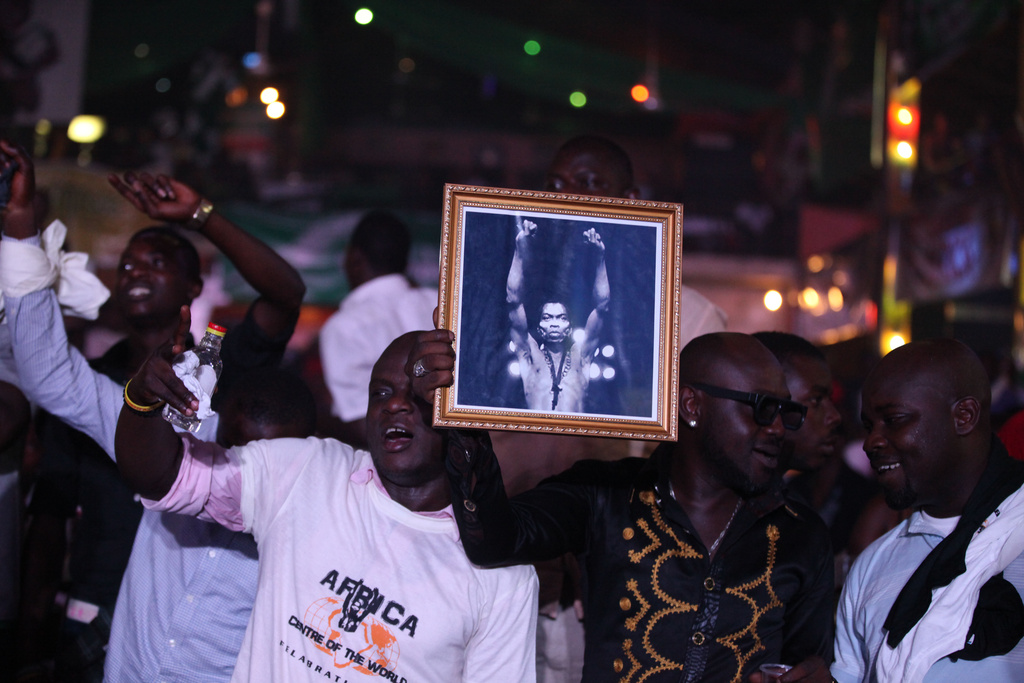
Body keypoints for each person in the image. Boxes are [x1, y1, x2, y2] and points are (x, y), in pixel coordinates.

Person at [0, 138, 305, 682]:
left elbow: (285, 296)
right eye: (127, 263)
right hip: (102, 620)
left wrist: (201, 215)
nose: (134, 272)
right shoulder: (121, 396)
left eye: (156, 262)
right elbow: (50, 380)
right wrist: (21, 227)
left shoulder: (225, 375)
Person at [115, 324, 539, 683]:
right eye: (380, 392)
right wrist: (142, 400)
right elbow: (162, 476)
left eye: (416, 395)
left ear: (460, 412)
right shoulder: (306, 470)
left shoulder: (503, 572)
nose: (393, 404)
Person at [422, 331, 835, 682]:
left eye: (786, 413)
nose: (778, 429)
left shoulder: (801, 535)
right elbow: (493, 540)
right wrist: (464, 426)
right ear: (692, 405)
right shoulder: (605, 493)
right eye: (762, 408)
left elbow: (807, 662)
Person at [494, 135, 729, 683]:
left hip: (614, 590)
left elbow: (703, 469)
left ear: (631, 199)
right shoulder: (496, 301)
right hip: (499, 574)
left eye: (591, 184)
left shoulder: (685, 320)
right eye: (555, 184)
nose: (569, 197)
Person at [832, 338, 1024, 682]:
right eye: (869, 425)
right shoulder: (872, 565)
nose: (871, 441)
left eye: (894, 419)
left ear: (963, 416)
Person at [319, 210, 436, 448]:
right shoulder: (441, 303)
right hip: (461, 454)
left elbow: (360, 423)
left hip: (397, 466)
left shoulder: (344, 326)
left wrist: (318, 417)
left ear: (354, 258)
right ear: (405, 261)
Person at [507, 219, 608, 412]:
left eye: (561, 318)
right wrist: (520, 249)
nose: (554, 323)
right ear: (539, 328)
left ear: (569, 328)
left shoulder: (581, 356)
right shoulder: (530, 354)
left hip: (575, 438)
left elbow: (602, 306)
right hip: (536, 436)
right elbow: (513, 300)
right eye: (547, 318)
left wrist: (600, 257)